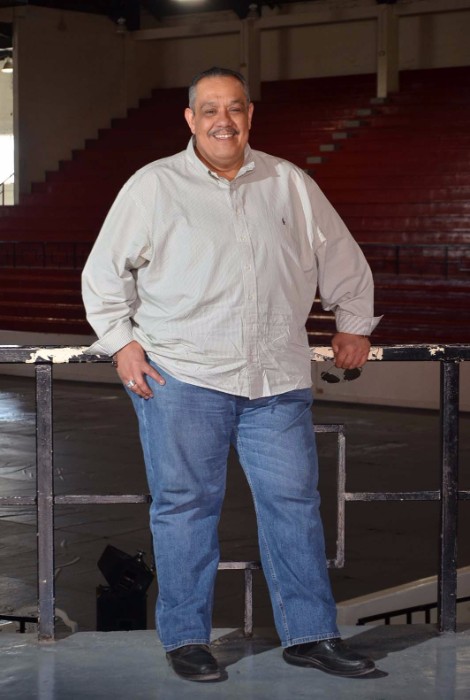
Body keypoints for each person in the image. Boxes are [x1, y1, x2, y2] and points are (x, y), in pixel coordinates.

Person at [82, 66, 381, 683]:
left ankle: (310, 634)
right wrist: (120, 344)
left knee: (294, 506)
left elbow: (342, 257)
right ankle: (187, 639)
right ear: (190, 119)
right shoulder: (154, 185)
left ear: (250, 115)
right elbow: (104, 274)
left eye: (235, 108)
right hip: (182, 375)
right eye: (211, 109)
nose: (224, 120)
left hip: (275, 379)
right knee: (186, 507)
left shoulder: (288, 182)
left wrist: (353, 323)